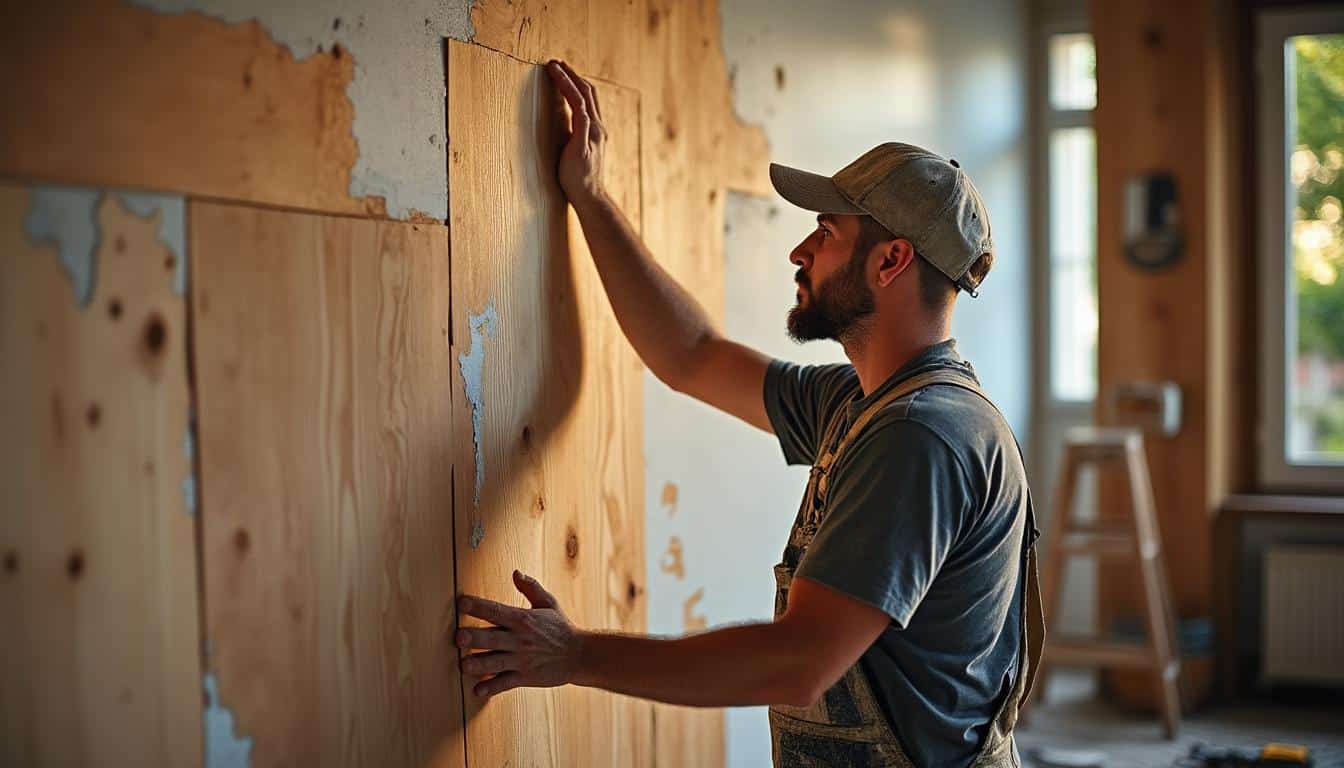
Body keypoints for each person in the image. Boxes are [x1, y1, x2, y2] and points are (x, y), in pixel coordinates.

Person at [454, 59, 1044, 768]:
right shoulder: (861, 402)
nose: (800, 250)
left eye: (825, 232)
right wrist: (590, 198)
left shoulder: (920, 437)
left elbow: (797, 662)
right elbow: (692, 355)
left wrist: (574, 654)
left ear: (891, 261)